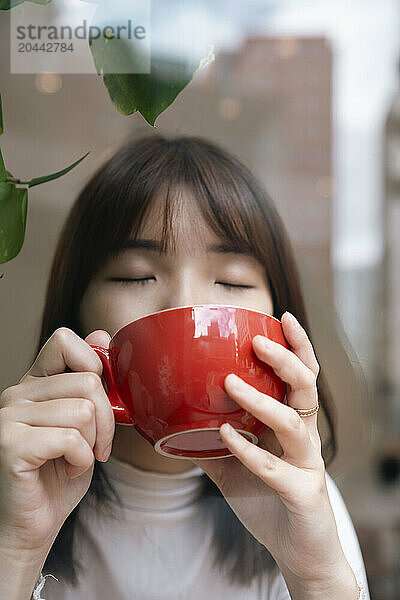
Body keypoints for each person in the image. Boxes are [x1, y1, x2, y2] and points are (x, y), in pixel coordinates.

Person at [0, 133, 369, 599]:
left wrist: (315, 576)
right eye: (136, 275)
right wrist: (14, 548)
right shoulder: (16, 492)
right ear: (76, 317)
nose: (186, 307)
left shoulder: (303, 504)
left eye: (232, 281)